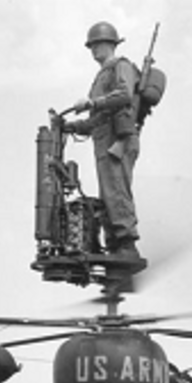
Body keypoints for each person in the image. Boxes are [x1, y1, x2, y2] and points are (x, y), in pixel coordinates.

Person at [65, 21, 142, 260]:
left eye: (96, 44)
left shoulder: (121, 66)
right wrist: (71, 127)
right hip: (103, 141)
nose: (93, 50)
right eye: (91, 46)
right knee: (109, 193)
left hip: (117, 139)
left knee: (117, 190)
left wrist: (92, 103)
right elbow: (96, 120)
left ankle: (126, 244)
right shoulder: (101, 77)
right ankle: (115, 246)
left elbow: (124, 94)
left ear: (110, 44)